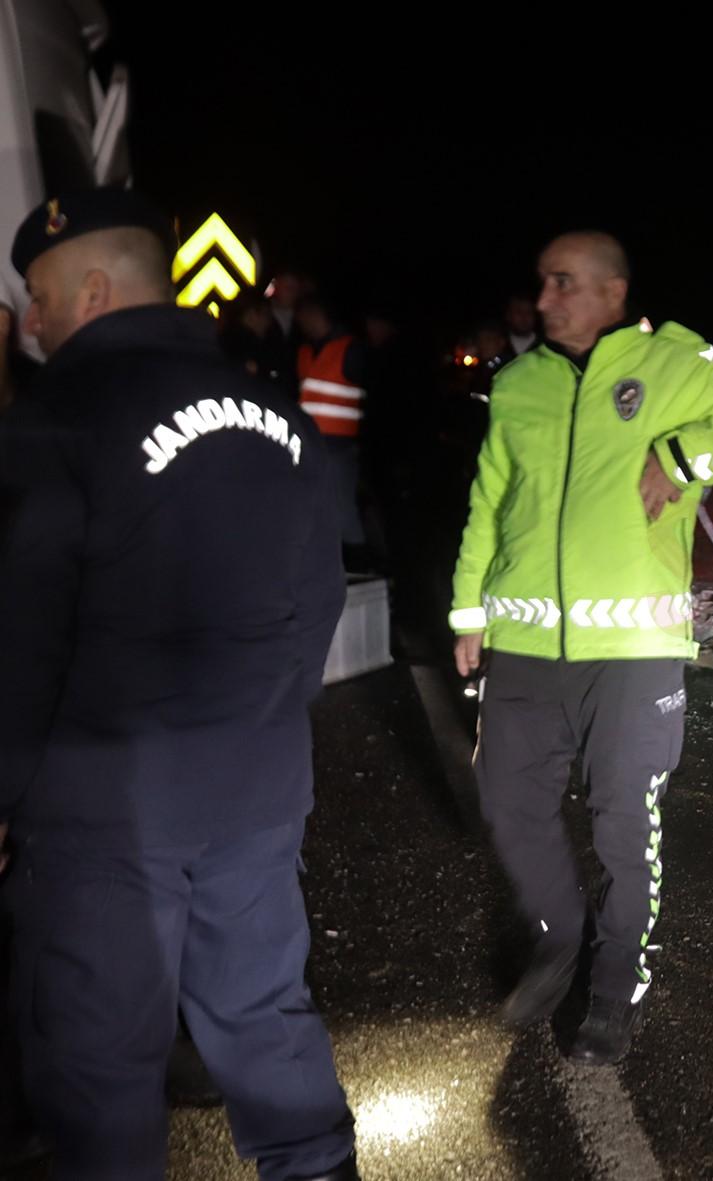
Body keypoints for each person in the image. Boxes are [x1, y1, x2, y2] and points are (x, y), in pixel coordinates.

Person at [0, 189, 357, 1180]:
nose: (28, 320)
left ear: (94, 290)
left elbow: (24, 637)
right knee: (262, 1010)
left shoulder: (56, 422)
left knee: (100, 1058)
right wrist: (260, 724)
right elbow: (316, 595)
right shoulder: (276, 412)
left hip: (104, 807)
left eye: (37, 295)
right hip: (256, 783)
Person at [451, 231, 713, 1064]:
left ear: (614, 292)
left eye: (564, 283)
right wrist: (469, 611)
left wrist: (683, 454)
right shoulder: (518, 385)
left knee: (623, 824)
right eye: (541, 283)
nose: (545, 300)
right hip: (527, 644)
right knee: (507, 803)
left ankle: (614, 989)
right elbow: (490, 498)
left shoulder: (674, 366)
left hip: (635, 650)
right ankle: (557, 934)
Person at [294, 292, 371, 559]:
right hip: (311, 446)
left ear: (316, 315)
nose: (299, 322)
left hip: (340, 447)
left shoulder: (350, 349)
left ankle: (360, 565)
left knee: (344, 513)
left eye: (303, 316)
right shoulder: (305, 350)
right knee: (320, 511)